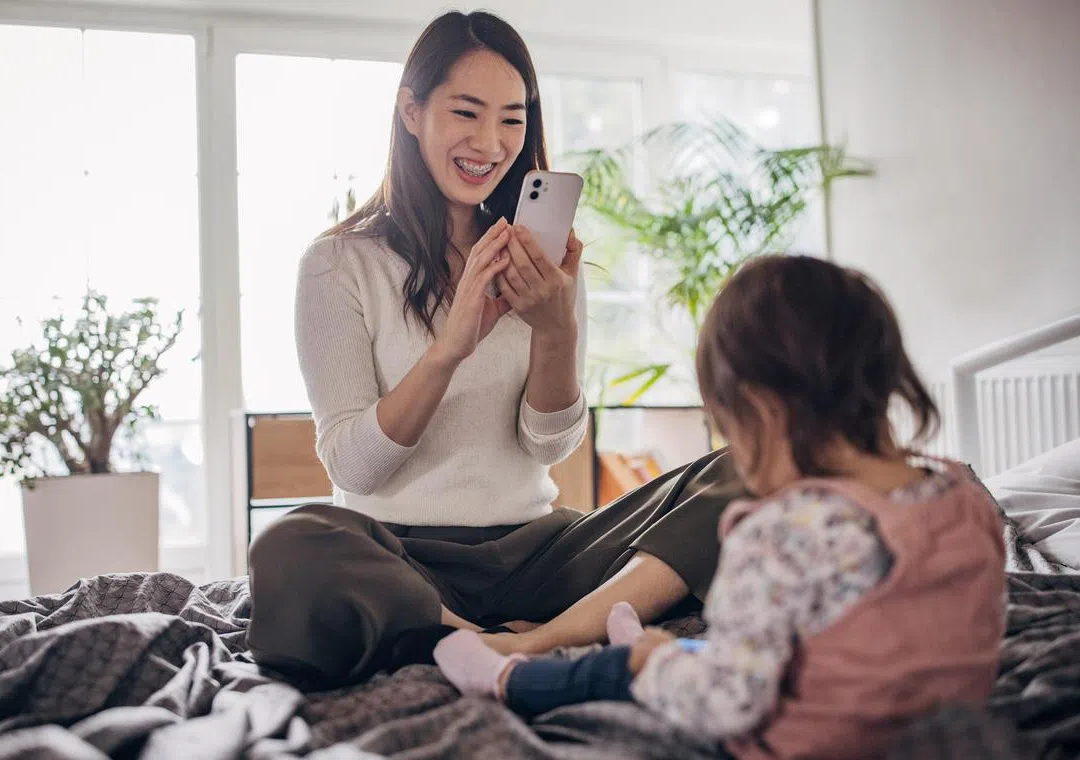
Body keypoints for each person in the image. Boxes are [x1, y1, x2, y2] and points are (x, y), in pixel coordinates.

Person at [245, 10, 743, 688]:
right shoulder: (338, 263)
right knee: (289, 544)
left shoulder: (544, 258)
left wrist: (554, 325)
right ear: (411, 111)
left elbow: (549, 446)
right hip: (399, 554)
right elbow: (355, 469)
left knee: (744, 472)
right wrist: (449, 349)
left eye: (512, 119)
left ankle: (537, 643)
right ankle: (484, 641)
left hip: (538, 553)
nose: (490, 141)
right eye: (468, 112)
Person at [433, 255, 1007, 760]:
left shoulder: (784, 533)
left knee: (636, 664)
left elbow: (730, 705)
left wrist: (655, 666)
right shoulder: (963, 498)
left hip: (811, 740)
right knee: (720, 645)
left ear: (759, 409)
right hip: (921, 718)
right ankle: (653, 643)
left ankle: (511, 678)